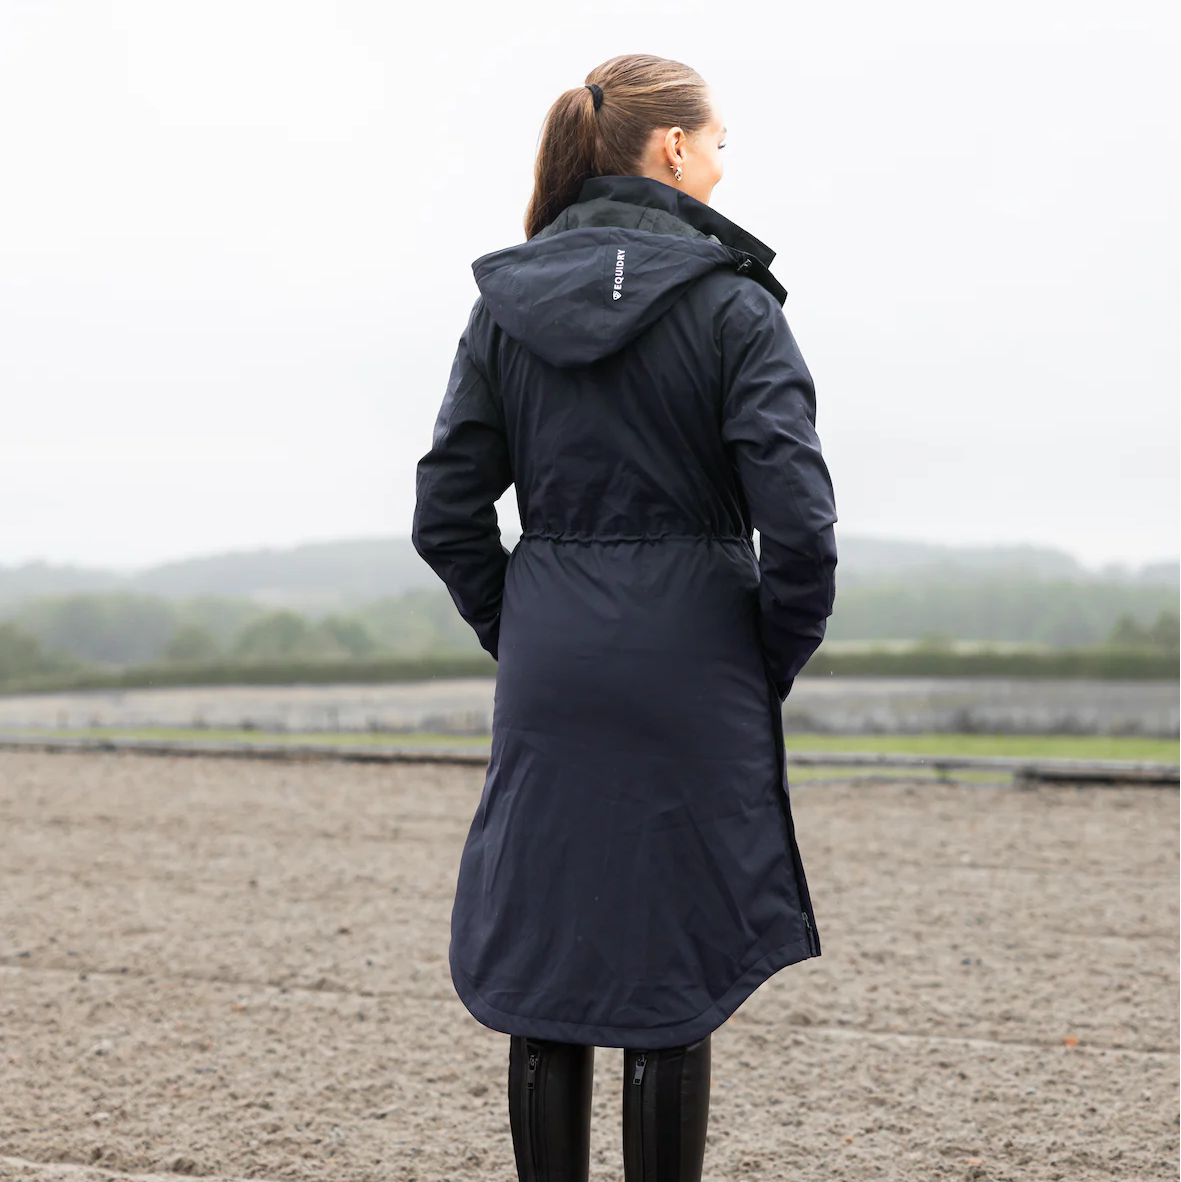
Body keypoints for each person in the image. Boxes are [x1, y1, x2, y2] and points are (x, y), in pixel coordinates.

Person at [413, 53, 838, 1182]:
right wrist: (756, 658)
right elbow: (801, 530)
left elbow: (446, 511)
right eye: (719, 143)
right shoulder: (734, 308)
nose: (721, 165)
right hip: (696, 660)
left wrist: (525, 626)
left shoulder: (503, 308)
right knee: (673, 969)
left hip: (551, 662)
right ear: (673, 148)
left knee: (544, 960)